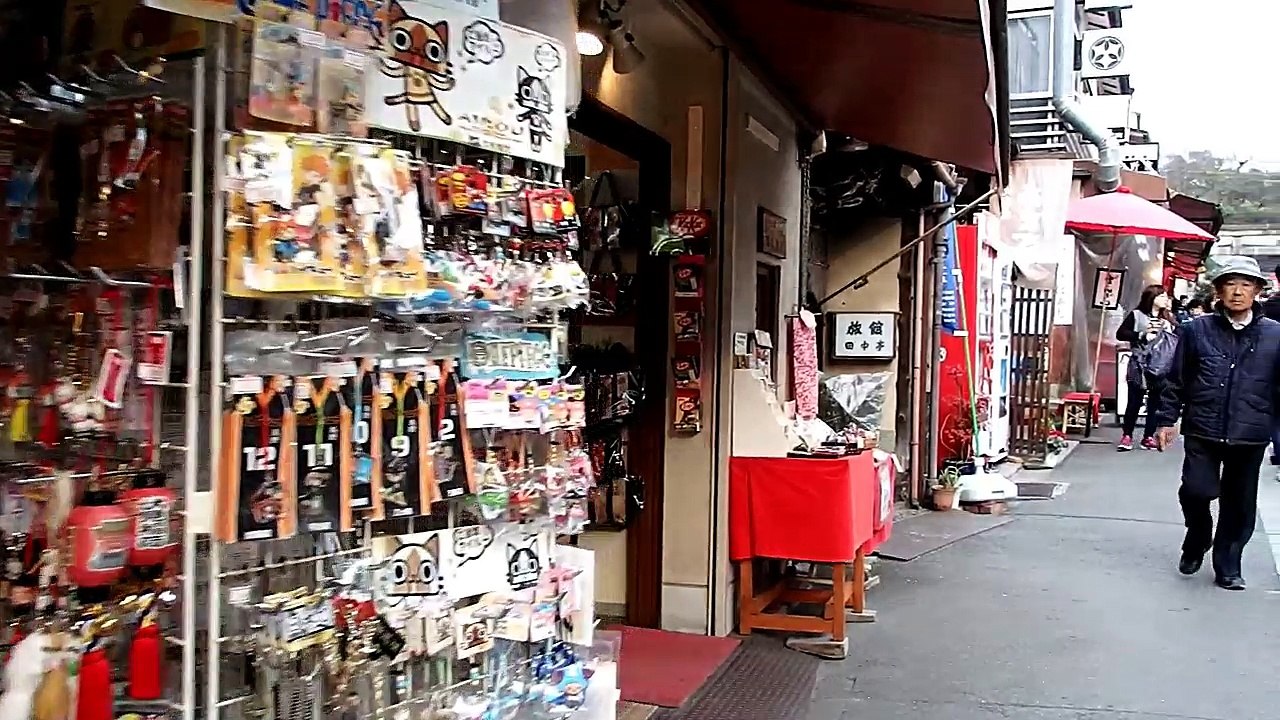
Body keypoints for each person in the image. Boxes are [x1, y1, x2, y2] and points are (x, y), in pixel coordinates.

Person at [1154, 256, 1280, 591]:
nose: (1237, 292)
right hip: (1203, 427)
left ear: (1257, 291)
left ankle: (1228, 565)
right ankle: (1197, 536)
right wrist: (1166, 419)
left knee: (1239, 506)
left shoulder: (1275, 335)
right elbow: (1176, 378)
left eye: (1246, 285)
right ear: (1219, 290)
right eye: (1230, 284)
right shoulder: (1197, 329)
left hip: (1250, 432)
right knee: (1197, 490)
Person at [1115, 284, 1176, 451]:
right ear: (1152, 298)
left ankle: (1148, 436)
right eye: (1162, 296)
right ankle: (1127, 435)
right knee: (1134, 400)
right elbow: (1121, 334)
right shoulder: (1137, 315)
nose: (1165, 299)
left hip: (1160, 365)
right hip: (1139, 364)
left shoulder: (1168, 318)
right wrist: (1142, 334)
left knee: (1155, 402)